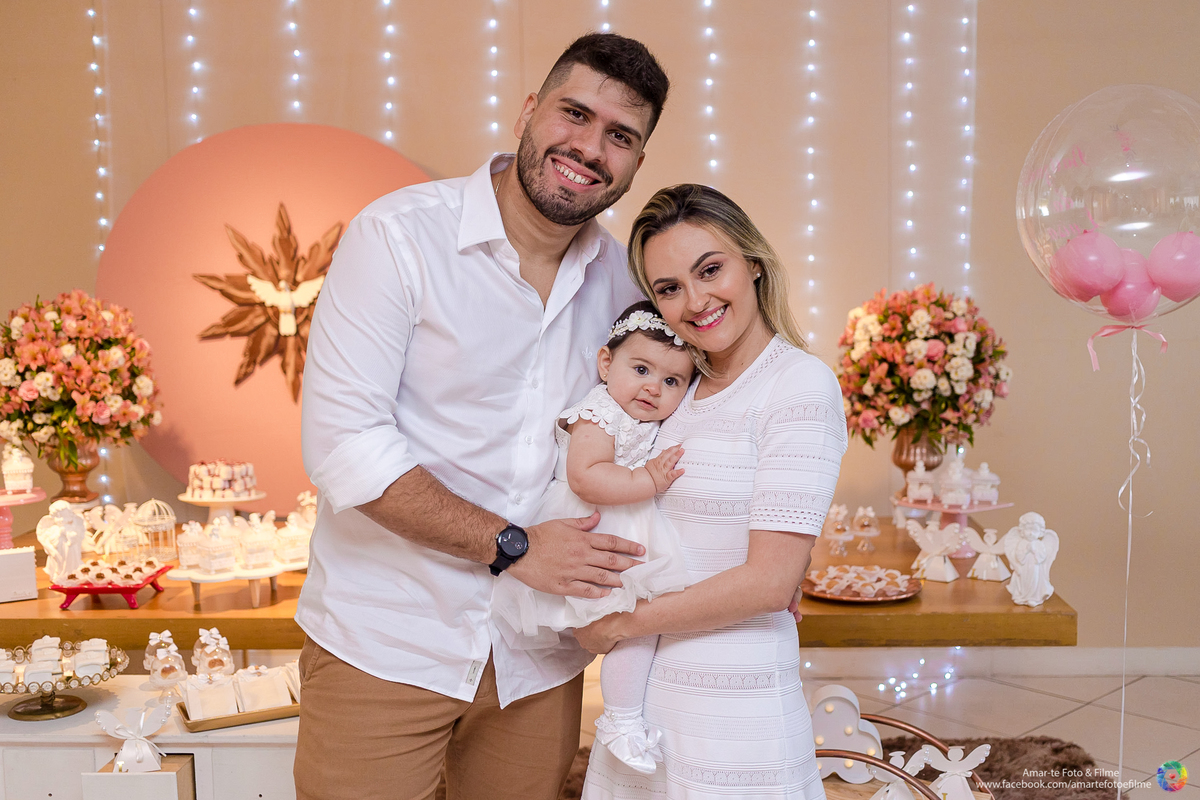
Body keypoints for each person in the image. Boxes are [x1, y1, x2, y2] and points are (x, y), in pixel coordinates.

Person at [294, 33, 670, 800]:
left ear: (635, 163)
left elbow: (678, 426)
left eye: (620, 137)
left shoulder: (625, 293)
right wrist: (511, 545)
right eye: (575, 113)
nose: (590, 147)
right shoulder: (398, 238)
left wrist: (756, 550)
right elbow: (344, 447)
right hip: (386, 644)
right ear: (530, 112)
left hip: (537, 661)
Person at [575, 184, 848, 800]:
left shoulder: (800, 384)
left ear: (752, 262)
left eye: (710, 270)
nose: (695, 301)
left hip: (737, 705)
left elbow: (768, 583)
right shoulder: (674, 389)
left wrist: (620, 623)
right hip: (647, 706)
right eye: (669, 288)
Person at [492, 300, 694, 775]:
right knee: (630, 625)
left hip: (630, 523)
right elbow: (585, 476)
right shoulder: (599, 411)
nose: (653, 387)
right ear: (607, 363)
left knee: (643, 627)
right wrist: (648, 480)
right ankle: (620, 719)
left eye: (672, 381)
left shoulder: (641, 414)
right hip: (595, 527)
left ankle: (630, 714)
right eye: (641, 368)